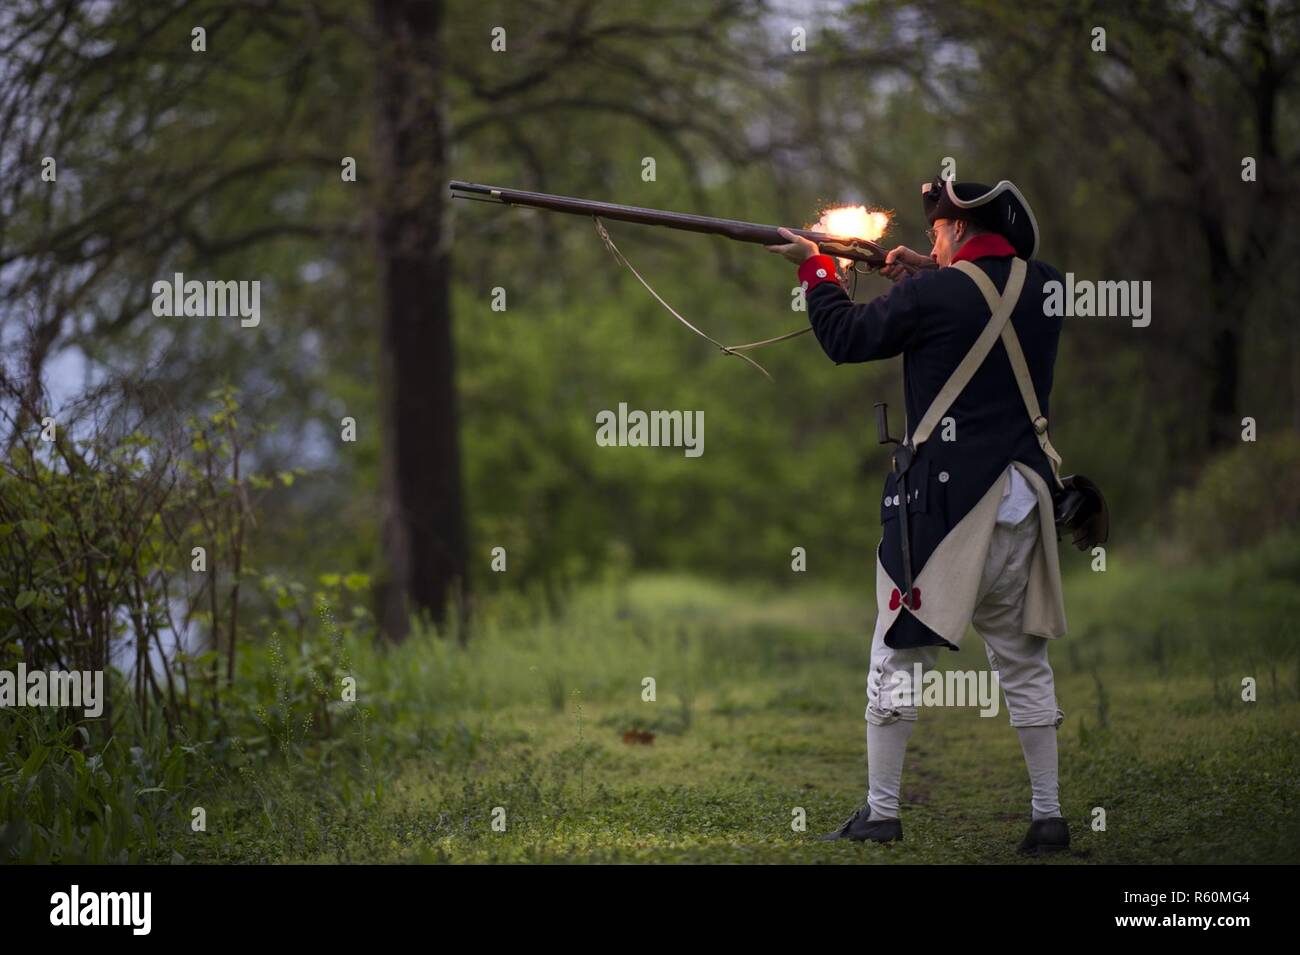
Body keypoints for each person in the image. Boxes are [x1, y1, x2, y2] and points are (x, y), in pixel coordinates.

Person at [766, 174, 1072, 854]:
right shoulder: (1047, 288)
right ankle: (1048, 816)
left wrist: (818, 267)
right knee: (1023, 660)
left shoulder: (933, 292)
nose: (930, 236)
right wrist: (925, 272)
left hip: (946, 504)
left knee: (897, 654)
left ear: (959, 229)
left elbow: (845, 337)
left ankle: (881, 812)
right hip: (1024, 497)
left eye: (938, 230)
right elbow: (977, 305)